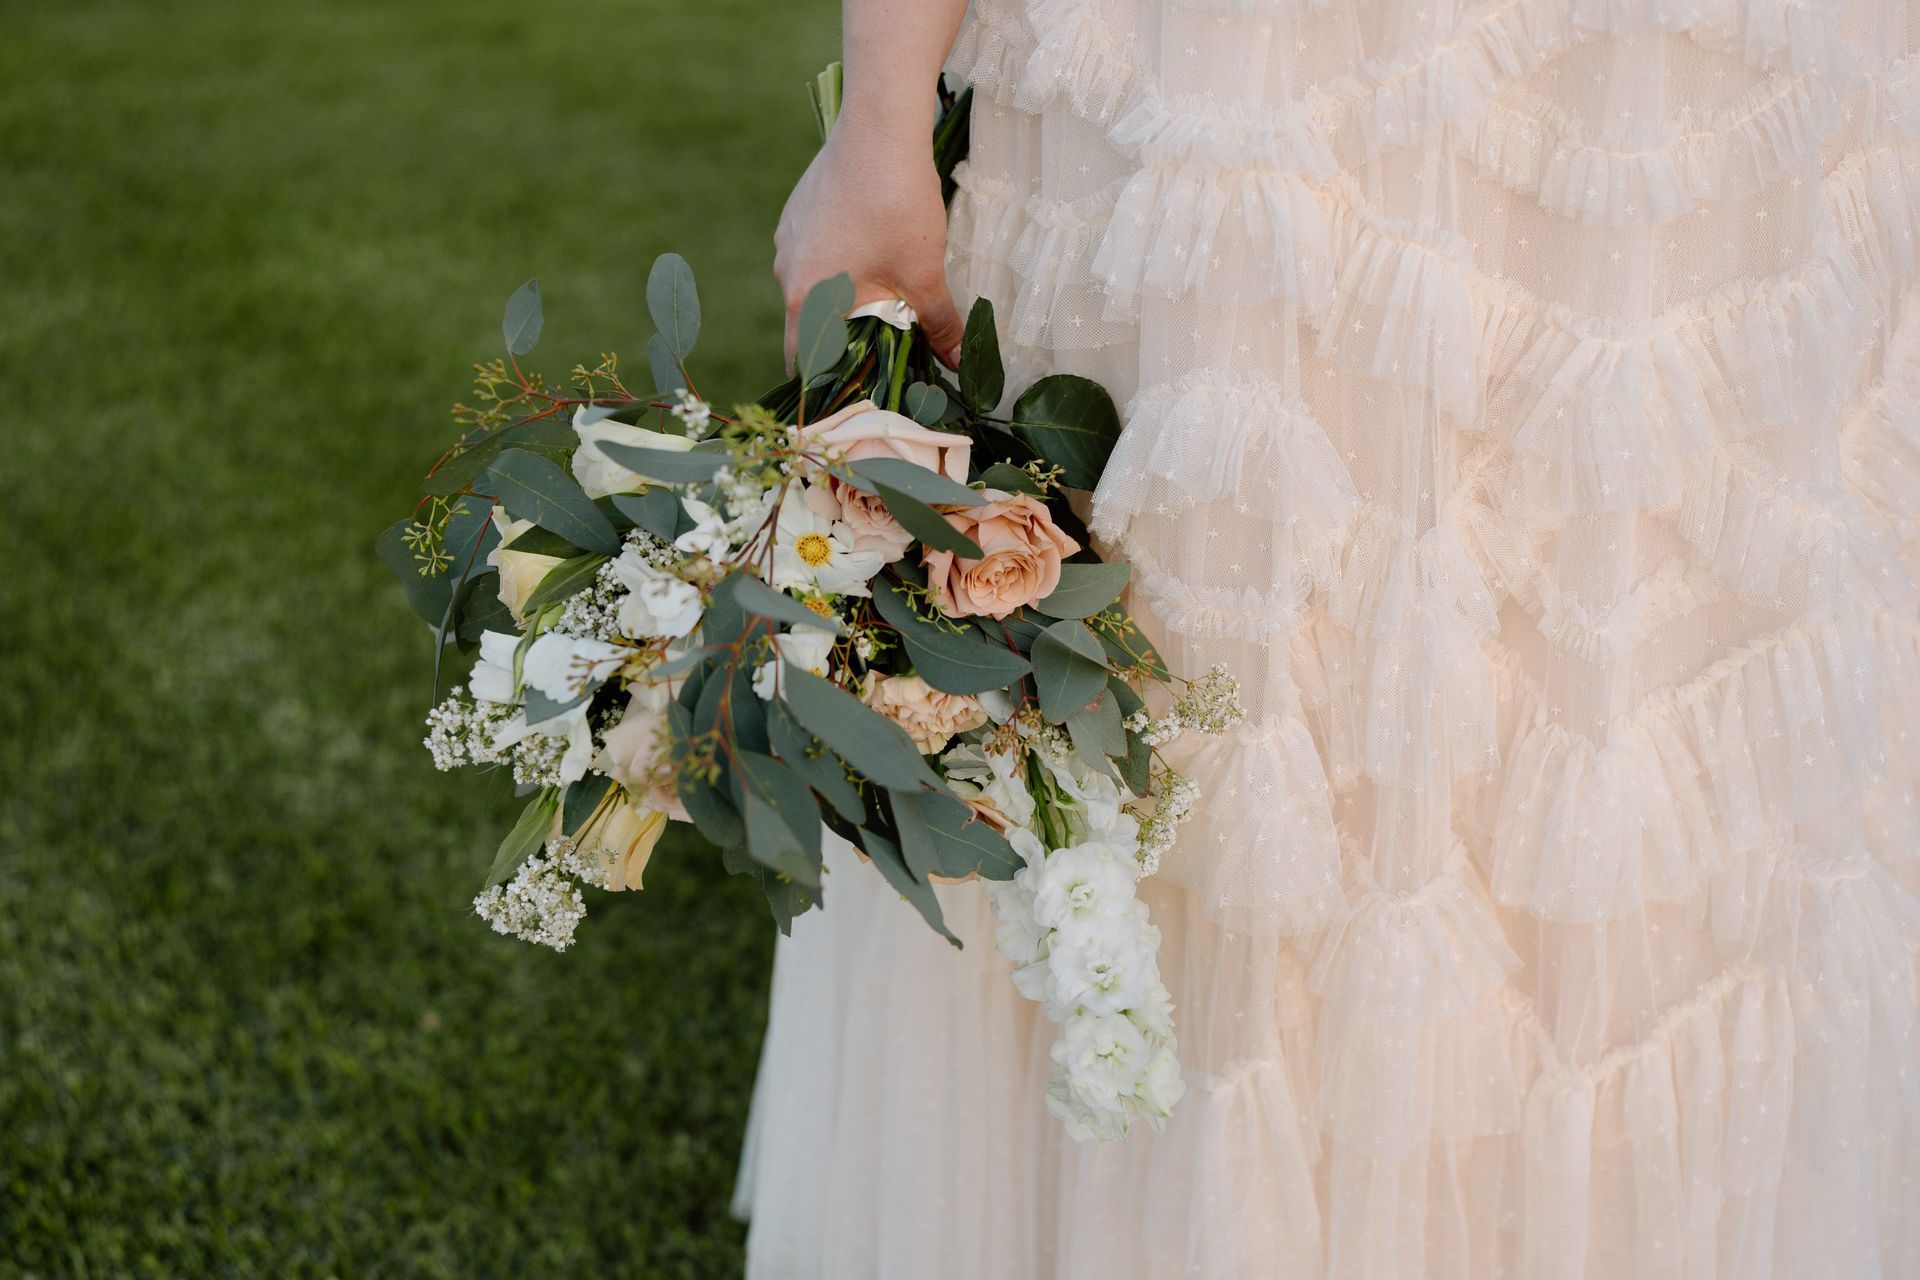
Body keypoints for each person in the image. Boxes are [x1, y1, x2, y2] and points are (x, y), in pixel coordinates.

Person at [735, 0, 1920, 1274]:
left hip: (1628, 78)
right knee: (1221, 677)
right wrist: (880, 121)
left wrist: (884, 115)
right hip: (1253, 82)